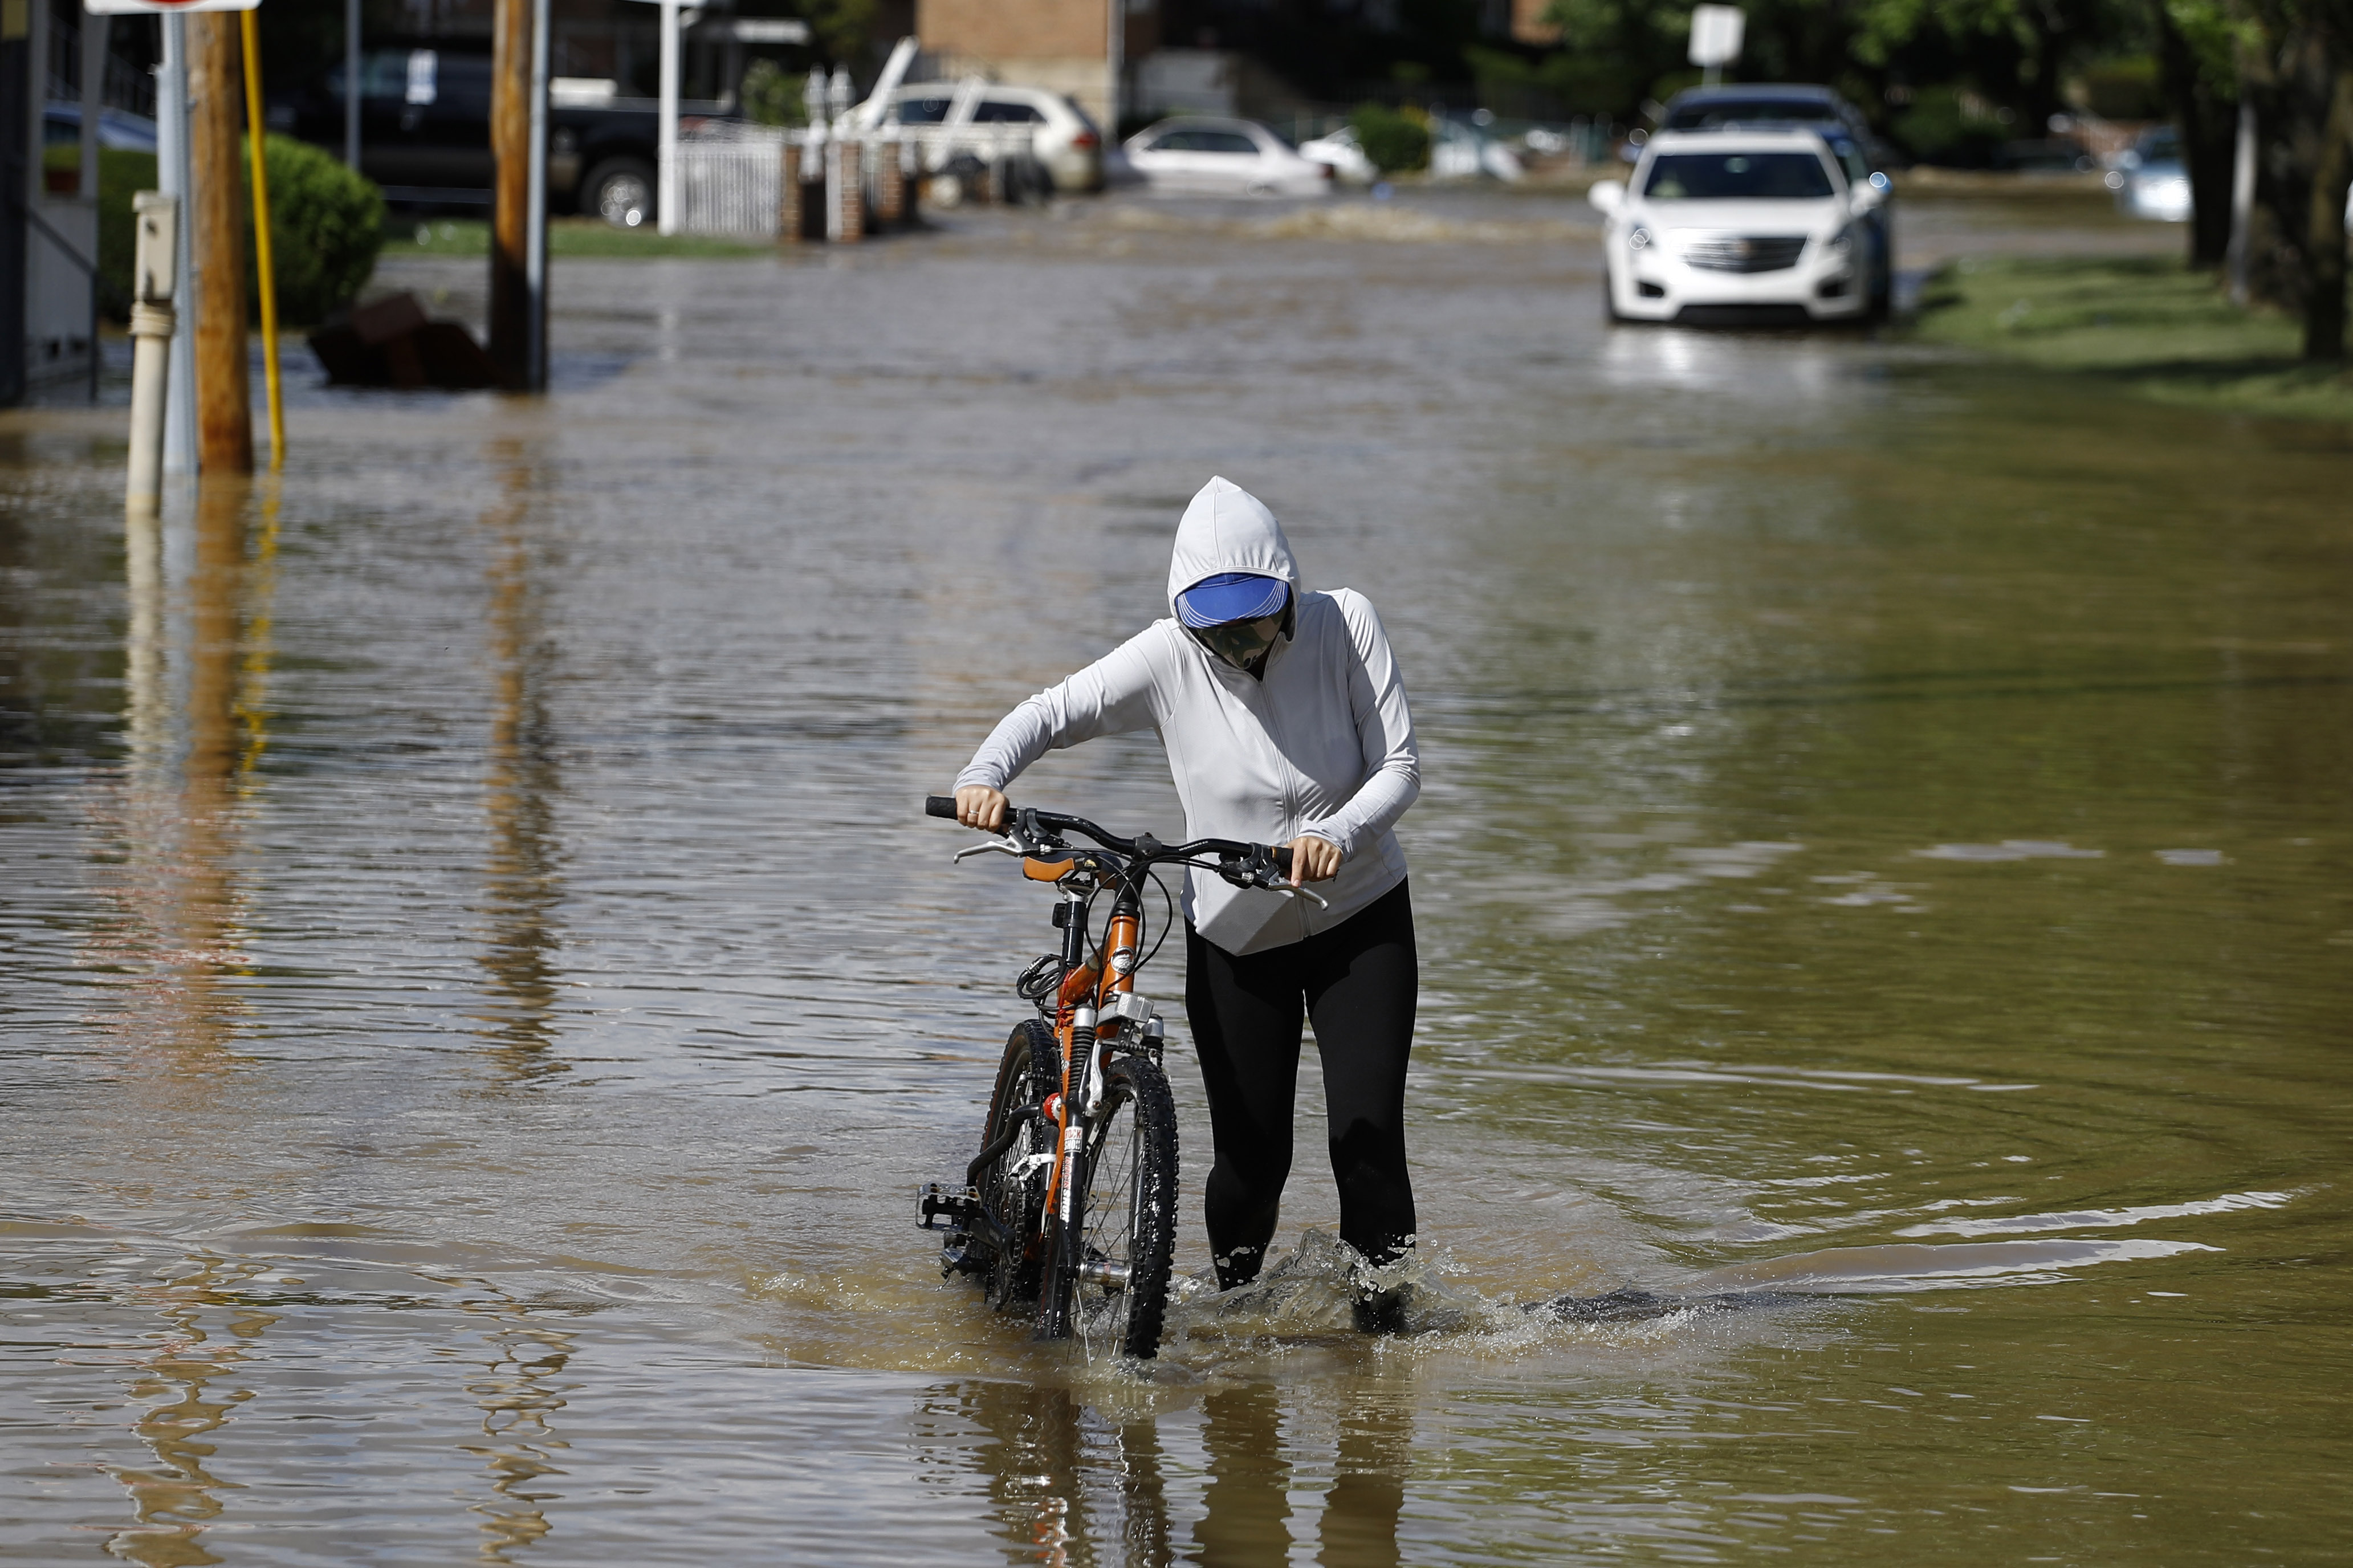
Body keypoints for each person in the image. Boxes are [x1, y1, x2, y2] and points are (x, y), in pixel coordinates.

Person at [950, 476, 1422, 1329]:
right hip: (1237, 939)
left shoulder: (1347, 625)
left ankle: (1383, 1347)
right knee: (1252, 1163)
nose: (1240, 646)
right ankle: (1236, 1322)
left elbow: (1399, 767)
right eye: (1220, 632)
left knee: (1367, 1143)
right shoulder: (1169, 655)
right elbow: (1053, 711)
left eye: (1257, 624)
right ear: (1186, 618)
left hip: (1360, 918)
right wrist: (984, 775)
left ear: (1289, 594)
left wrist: (1338, 834)